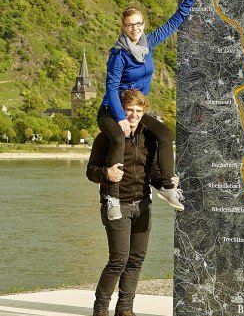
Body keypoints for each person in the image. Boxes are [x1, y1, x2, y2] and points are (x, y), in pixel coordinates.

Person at [98, 0, 198, 220]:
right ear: (123, 27)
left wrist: (188, 1)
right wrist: (120, 117)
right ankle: (112, 197)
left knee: (164, 135)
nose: (135, 28)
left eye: (139, 23)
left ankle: (167, 186)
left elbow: (171, 25)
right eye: (130, 25)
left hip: (137, 110)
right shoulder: (119, 54)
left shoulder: (148, 43)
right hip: (113, 110)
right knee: (119, 140)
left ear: (143, 24)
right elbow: (111, 87)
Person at [87, 89, 165, 316]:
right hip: (116, 204)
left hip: (143, 205)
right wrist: (106, 173)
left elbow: (155, 173)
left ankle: (125, 309)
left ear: (144, 113)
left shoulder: (149, 138)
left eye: (138, 111)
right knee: (118, 259)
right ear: (122, 110)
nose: (134, 114)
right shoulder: (106, 138)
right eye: (129, 109)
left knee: (136, 260)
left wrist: (167, 183)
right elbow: (91, 171)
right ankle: (101, 309)